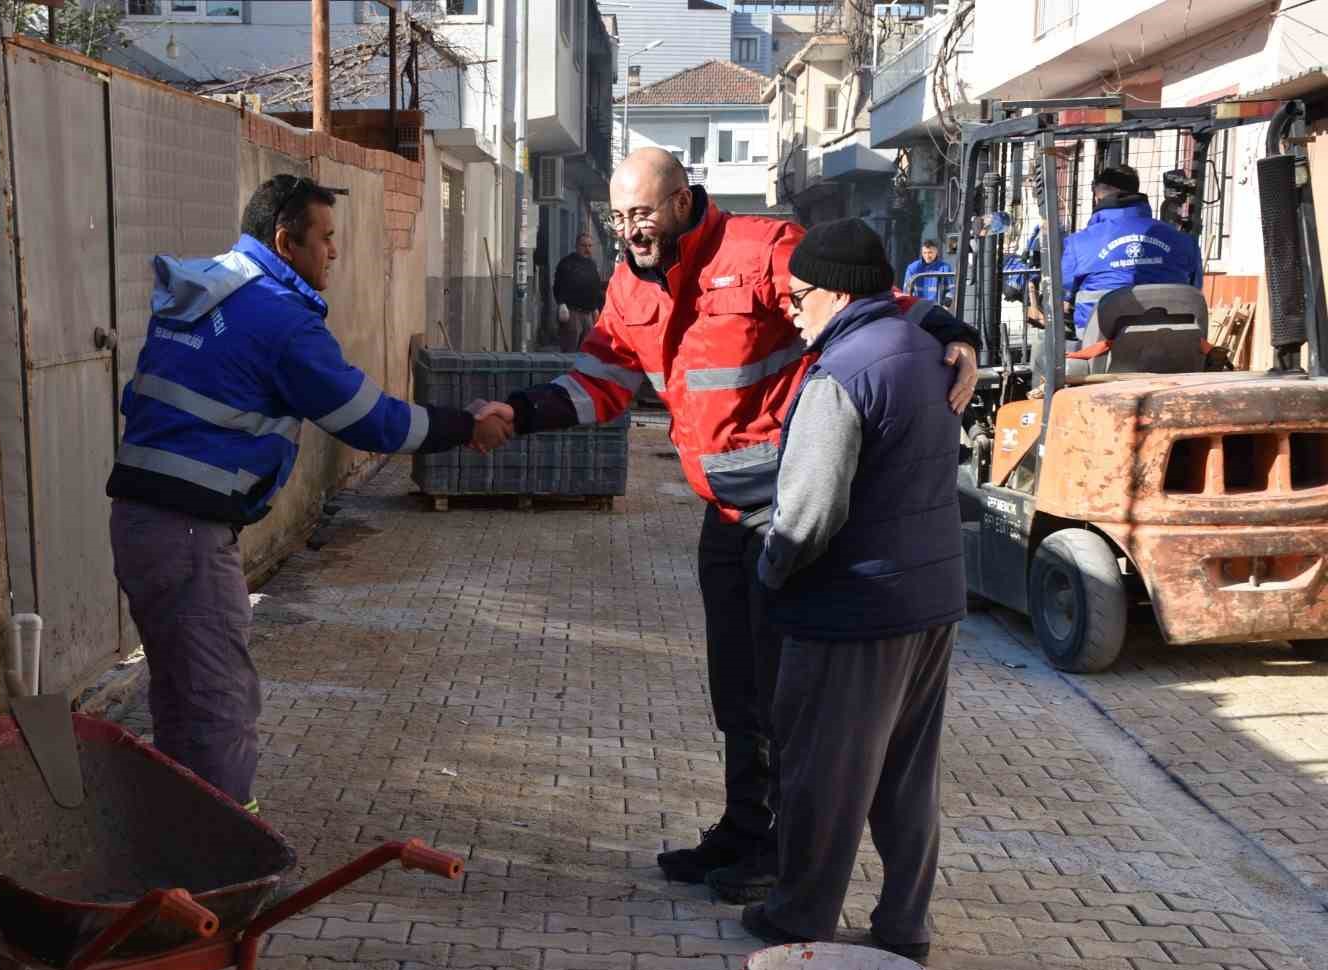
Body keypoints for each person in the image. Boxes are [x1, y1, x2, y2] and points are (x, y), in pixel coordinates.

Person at [486, 148, 979, 903]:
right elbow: (602, 381)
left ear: (683, 200)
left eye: (643, 213)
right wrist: (519, 412)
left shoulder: (760, 248)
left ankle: (783, 849)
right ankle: (746, 825)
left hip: (787, 511)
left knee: (787, 689)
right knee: (737, 686)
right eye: (619, 218)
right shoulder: (628, 283)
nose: (631, 231)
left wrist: (955, 328)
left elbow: (864, 298)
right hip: (722, 513)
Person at [106, 174, 512, 810]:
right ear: (284, 240)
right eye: (325, 239)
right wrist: (467, 425)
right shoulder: (277, 318)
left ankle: (175, 833)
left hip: (142, 521)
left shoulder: (209, 286)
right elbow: (370, 420)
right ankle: (219, 863)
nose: (335, 253)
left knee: (182, 691)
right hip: (186, 531)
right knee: (219, 699)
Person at [740, 218, 964, 960]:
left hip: (854, 609)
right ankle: (904, 926)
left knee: (821, 773)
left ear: (838, 293)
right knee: (906, 777)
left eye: (799, 296)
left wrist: (770, 576)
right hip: (930, 604)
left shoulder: (842, 374)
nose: (790, 309)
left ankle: (799, 916)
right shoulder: (925, 351)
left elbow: (808, 515)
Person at [1061, 163, 1202, 334]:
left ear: (1098, 196)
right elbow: (1194, 290)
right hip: (1171, 340)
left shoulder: (1078, 243)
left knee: (1044, 347)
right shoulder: (1184, 242)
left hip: (1101, 345)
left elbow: (1062, 300)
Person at [554, 232, 606, 352]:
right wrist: (561, 304)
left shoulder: (592, 265)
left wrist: (596, 308)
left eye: (589, 246)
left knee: (587, 350)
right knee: (570, 348)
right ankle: (568, 370)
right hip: (572, 312)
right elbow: (558, 285)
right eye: (584, 246)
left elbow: (595, 286)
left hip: (588, 314)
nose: (587, 249)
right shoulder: (567, 263)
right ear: (577, 246)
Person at [901, 238, 947, 304]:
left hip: (937, 308)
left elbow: (951, 290)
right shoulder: (912, 268)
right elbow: (906, 291)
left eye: (930, 252)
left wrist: (945, 306)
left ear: (936, 252)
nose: (927, 256)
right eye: (925, 253)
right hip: (917, 308)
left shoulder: (945, 268)